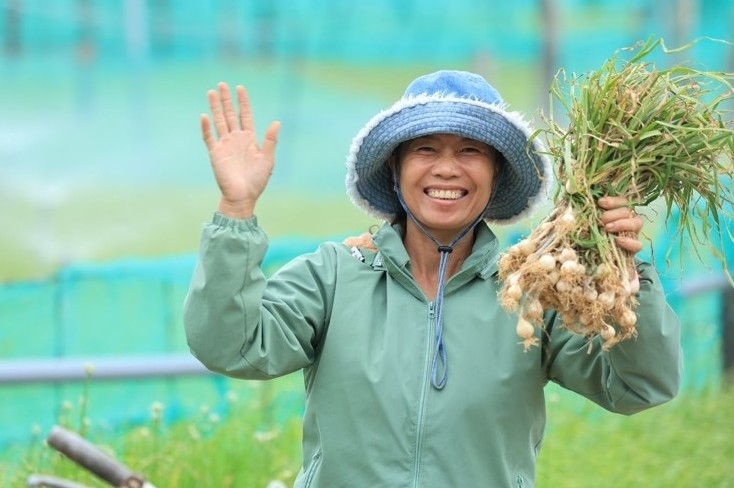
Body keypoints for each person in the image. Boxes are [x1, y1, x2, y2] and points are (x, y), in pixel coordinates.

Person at [184, 70, 682, 487]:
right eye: (425, 149)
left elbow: (640, 386)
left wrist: (625, 274)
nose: (447, 169)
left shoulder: (533, 292)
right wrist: (236, 209)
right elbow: (234, 346)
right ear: (396, 169)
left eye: (470, 151)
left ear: (497, 174)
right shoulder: (333, 276)